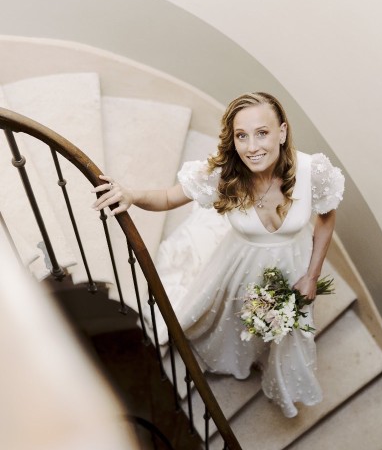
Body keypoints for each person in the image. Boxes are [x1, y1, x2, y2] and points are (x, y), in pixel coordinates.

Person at [93, 92, 344, 418]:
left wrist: (311, 275)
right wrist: (132, 193)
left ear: (282, 132)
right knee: (234, 316)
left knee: (282, 327)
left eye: (262, 133)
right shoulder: (224, 173)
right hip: (240, 265)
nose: (252, 147)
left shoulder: (314, 171)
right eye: (242, 136)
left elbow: (326, 217)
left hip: (292, 264)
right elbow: (169, 197)